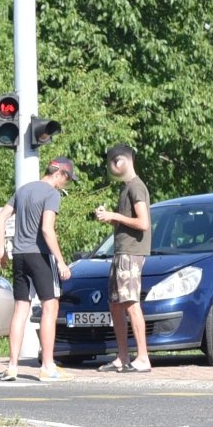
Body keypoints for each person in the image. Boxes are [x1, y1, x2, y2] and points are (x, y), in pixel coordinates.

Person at [0, 156, 78, 382]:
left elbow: (1, 217)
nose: (65, 184)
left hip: (19, 255)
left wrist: (2, 250)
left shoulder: (23, 190)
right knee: (51, 306)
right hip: (39, 255)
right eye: (67, 179)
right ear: (60, 174)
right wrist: (60, 261)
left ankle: (12, 366)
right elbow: (48, 230)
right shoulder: (52, 194)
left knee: (21, 308)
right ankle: (47, 366)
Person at [94, 144, 152, 373]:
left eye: (110, 163)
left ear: (119, 162)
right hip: (121, 252)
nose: (109, 168)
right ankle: (122, 357)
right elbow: (129, 222)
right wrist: (110, 219)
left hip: (131, 253)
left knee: (130, 303)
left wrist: (115, 215)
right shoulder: (125, 188)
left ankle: (143, 358)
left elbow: (143, 223)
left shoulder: (136, 187)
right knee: (116, 304)